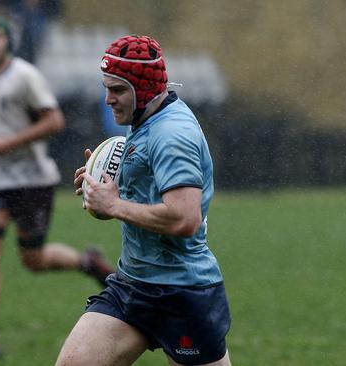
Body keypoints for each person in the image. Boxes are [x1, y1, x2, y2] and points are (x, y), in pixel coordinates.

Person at [56, 35, 232, 366]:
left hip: (182, 293)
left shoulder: (172, 135)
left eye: (118, 90)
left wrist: (114, 205)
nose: (107, 99)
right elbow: (147, 179)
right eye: (105, 87)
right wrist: (107, 185)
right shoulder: (145, 119)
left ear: (145, 90)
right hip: (133, 286)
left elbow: (185, 218)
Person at [0, 16, 114, 358]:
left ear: (8, 42)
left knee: (33, 259)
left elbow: (54, 120)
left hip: (32, 180)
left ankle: (88, 262)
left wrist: (12, 142)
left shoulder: (25, 76)